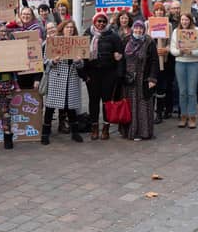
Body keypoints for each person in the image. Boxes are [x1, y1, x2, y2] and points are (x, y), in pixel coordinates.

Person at [41, 20, 85, 145]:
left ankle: (75, 132)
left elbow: (82, 65)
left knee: (70, 106)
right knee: (50, 107)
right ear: (62, 29)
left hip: (71, 78)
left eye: (72, 27)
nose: (70, 29)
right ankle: (45, 133)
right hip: (57, 78)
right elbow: (45, 61)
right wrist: (53, 61)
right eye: (67, 27)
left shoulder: (77, 42)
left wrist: (78, 61)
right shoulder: (54, 42)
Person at [84, 12, 123, 140]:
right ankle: (94, 127)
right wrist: (84, 75)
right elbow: (82, 55)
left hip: (108, 73)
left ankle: (106, 127)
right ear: (94, 22)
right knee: (93, 101)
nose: (101, 24)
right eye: (98, 21)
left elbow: (120, 55)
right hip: (93, 73)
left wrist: (118, 73)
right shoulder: (87, 34)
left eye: (103, 21)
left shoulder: (113, 36)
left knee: (107, 102)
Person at [122, 20, 159, 140]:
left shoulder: (149, 42)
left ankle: (142, 132)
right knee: (129, 105)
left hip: (143, 78)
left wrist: (152, 78)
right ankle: (129, 131)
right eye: (136, 28)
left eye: (141, 28)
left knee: (142, 105)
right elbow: (121, 58)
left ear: (144, 29)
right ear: (132, 29)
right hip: (128, 79)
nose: (138, 31)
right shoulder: (126, 40)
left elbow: (154, 61)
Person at [170, 13, 198, 128]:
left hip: (193, 63)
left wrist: (192, 52)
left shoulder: (197, 31)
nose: (184, 22)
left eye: (186, 20)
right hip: (180, 63)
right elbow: (172, 49)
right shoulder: (176, 32)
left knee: (191, 92)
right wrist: (179, 52)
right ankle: (183, 116)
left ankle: (192, 116)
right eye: (182, 20)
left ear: (190, 20)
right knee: (182, 91)